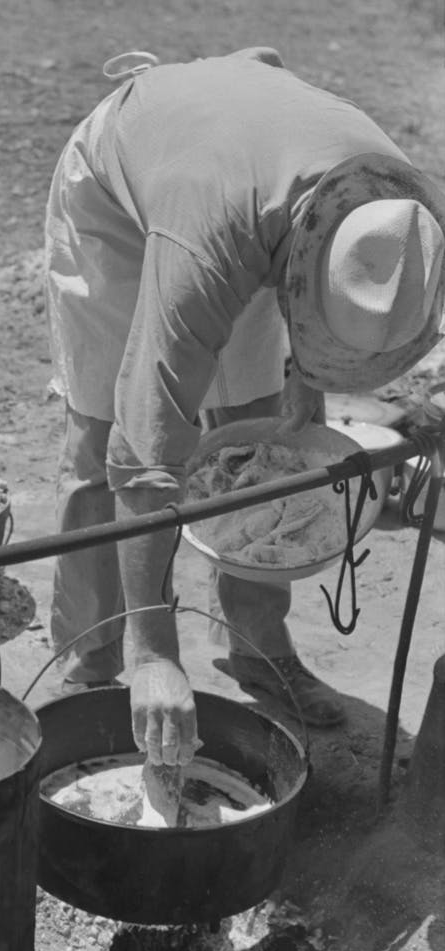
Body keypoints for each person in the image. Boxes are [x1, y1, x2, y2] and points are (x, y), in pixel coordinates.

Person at [43, 47, 445, 767]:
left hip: (251, 188)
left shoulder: (400, 217)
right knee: (107, 433)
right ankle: (98, 654)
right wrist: (157, 650)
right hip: (126, 191)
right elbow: (143, 451)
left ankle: (257, 648)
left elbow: (343, 268)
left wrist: (310, 371)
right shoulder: (213, 241)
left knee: (264, 432)